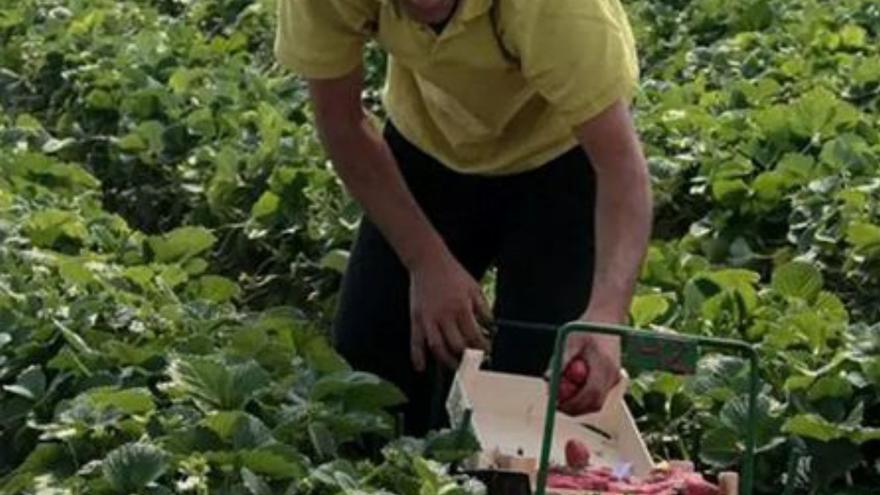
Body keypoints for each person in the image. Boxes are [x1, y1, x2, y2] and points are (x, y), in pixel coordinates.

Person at [274, 0, 653, 435]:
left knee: (546, 400)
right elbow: (339, 121)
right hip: (428, 144)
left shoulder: (559, 10)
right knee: (371, 378)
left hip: (560, 156)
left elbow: (621, 169)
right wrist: (425, 260)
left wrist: (604, 317)